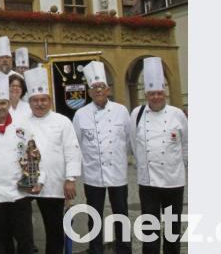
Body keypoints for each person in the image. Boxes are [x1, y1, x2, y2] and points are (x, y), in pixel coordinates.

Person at [72, 61, 132, 254]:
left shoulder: (121, 111)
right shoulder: (80, 114)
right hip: (93, 174)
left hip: (117, 173)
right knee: (94, 215)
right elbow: (77, 145)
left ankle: (124, 250)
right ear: (89, 92)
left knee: (121, 214)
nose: (98, 90)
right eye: (94, 88)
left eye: (101, 87)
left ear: (108, 90)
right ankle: (95, 249)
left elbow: (129, 140)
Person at [130, 57, 187, 254]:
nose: (156, 97)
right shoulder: (137, 114)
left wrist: (183, 165)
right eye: (152, 93)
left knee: (172, 230)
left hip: (173, 181)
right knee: (150, 229)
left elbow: (186, 143)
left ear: (165, 93)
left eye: (159, 93)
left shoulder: (177, 114)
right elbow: (132, 142)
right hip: (148, 183)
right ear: (146, 94)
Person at [0, 72, 40, 254]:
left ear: (8, 104)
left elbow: (33, 156)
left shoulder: (23, 127)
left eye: (3, 103)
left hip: (20, 193)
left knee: (25, 239)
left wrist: (35, 180)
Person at [24, 67, 82, 254]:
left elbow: (72, 150)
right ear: (30, 102)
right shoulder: (22, 123)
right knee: (23, 229)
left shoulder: (62, 121)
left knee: (54, 230)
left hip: (54, 184)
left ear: (49, 100)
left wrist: (71, 179)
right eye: (35, 100)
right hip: (27, 183)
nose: (39, 104)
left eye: (43, 100)